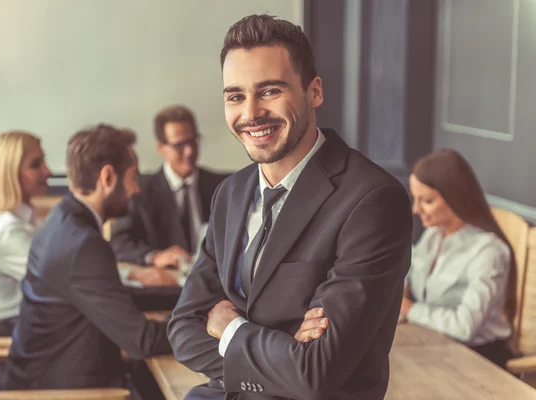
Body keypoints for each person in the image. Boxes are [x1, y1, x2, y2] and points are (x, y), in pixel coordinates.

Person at [167, 14, 413, 400]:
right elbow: (183, 328)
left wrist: (230, 328)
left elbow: (316, 373)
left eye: (269, 91)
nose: (250, 113)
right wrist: (281, 353)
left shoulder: (373, 201)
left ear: (314, 91)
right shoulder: (230, 193)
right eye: (235, 96)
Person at [0, 124, 172, 399]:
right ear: (108, 177)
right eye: (133, 177)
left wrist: (180, 301)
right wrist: (202, 324)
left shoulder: (63, 219)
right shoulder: (82, 245)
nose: (137, 189)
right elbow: (142, 340)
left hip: (52, 379)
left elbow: (111, 296)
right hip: (62, 392)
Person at [400, 149, 515, 368]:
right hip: (434, 345)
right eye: (415, 199)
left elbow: (465, 327)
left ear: (455, 196)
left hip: (480, 359)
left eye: (427, 201)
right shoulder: (433, 235)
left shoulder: (489, 251)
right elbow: (406, 275)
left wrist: (410, 310)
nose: (416, 209)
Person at [110, 105, 228, 268]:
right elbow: (119, 245)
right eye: (179, 145)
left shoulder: (222, 187)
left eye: (193, 140)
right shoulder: (140, 192)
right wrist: (154, 256)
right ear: (161, 147)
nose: (189, 151)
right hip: (166, 286)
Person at [0, 131, 51, 386]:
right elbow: (58, 281)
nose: (48, 171)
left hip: (25, 335)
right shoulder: (8, 230)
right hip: (20, 348)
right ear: (8, 172)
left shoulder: (23, 221)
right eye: (36, 165)